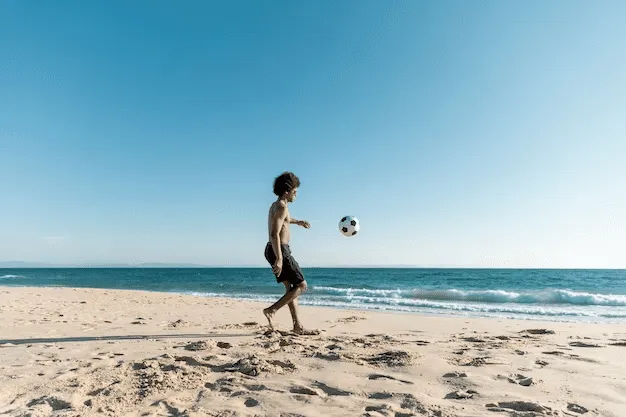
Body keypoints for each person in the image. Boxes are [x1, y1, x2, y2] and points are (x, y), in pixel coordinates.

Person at [263, 171, 317, 334]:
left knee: (291, 289)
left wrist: (298, 221)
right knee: (301, 285)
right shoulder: (281, 206)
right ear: (287, 190)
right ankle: (271, 310)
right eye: (295, 191)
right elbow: (274, 233)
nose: (296, 194)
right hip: (279, 249)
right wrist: (279, 258)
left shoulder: (277, 205)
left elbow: (285, 219)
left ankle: (297, 326)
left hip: (272, 249)